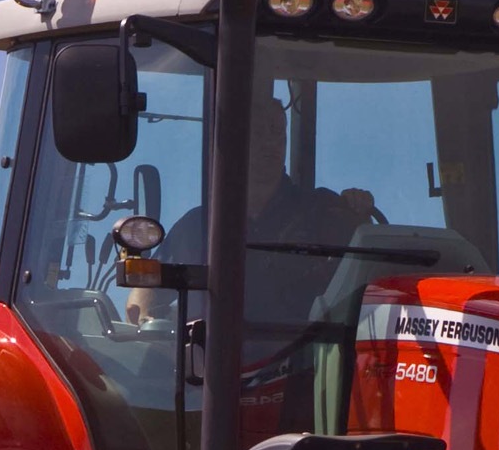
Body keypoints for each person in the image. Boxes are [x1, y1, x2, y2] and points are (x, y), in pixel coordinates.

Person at [125, 95, 374, 327]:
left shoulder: (321, 211)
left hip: (303, 365)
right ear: (237, 140)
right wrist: (144, 317)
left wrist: (360, 214)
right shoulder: (198, 225)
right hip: (206, 367)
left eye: (277, 133)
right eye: (259, 132)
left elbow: (369, 272)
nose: (270, 143)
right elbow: (142, 297)